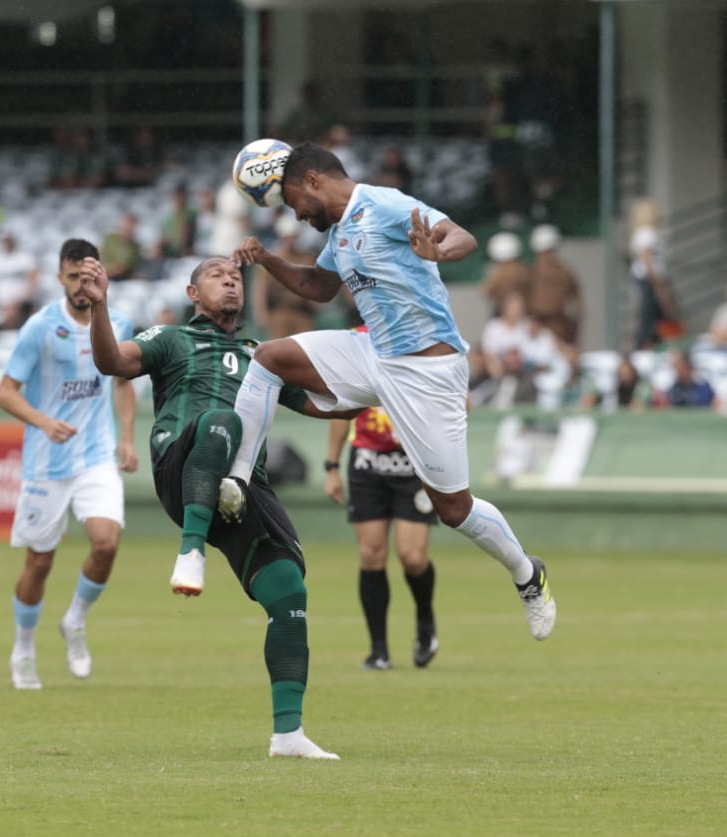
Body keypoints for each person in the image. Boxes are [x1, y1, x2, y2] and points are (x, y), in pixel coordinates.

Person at [226, 142, 556, 642]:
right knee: (269, 357)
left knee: (454, 511)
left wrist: (437, 251)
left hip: (428, 373)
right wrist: (268, 259)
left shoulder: (383, 205)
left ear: (314, 179)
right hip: (375, 354)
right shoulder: (338, 233)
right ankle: (239, 480)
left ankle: (528, 576)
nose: (295, 212)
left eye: (293, 200)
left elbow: (460, 236)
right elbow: (318, 287)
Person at [82, 254, 343, 760]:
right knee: (222, 421)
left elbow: (325, 403)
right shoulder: (171, 338)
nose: (230, 281)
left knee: (289, 590)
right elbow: (112, 363)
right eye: (217, 276)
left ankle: (288, 735)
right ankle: (190, 551)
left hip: (244, 486)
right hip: (183, 470)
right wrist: (100, 308)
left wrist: (392, 389)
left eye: (236, 276)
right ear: (192, 293)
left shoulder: (261, 354)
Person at [0, 239, 138, 691]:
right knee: (39, 563)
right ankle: (23, 649)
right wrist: (42, 421)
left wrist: (128, 438)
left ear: (100, 277)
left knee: (106, 543)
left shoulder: (118, 321)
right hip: (46, 462)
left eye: (88, 276)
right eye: (73, 276)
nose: (81, 285)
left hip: (96, 455)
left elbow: (123, 382)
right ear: (60, 278)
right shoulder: (40, 327)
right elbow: (5, 391)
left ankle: (75, 620)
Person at [324, 369, 438, 671]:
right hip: (367, 463)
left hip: (414, 463)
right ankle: (379, 651)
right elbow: (340, 408)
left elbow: (459, 402)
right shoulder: (355, 344)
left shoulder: (421, 345)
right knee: (371, 553)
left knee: (412, 557)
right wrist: (332, 466)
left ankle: (425, 620)